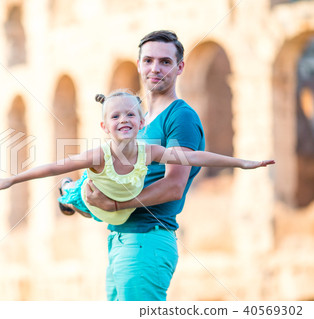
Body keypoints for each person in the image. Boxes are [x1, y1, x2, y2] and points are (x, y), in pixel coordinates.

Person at [70, 30, 265, 301]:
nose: (155, 68)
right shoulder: (140, 120)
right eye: (148, 60)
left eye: (165, 61)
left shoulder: (180, 117)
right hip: (122, 240)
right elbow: (127, 179)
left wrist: (114, 205)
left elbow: (174, 185)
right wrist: (89, 201)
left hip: (147, 241)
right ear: (138, 64)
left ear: (180, 67)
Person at [0, 91, 273, 227]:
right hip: (94, 194)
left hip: (120, 204)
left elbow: (196, 156)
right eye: (115, 116)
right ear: (104, 127)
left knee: (102, 211)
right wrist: (12, 178)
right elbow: (52, 166)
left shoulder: (149, 153)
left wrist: (242, 163)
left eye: (130, 114)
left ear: (141, 122)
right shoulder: (98, 154)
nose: (124, 119)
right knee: (79, 200)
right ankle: (66, 192)